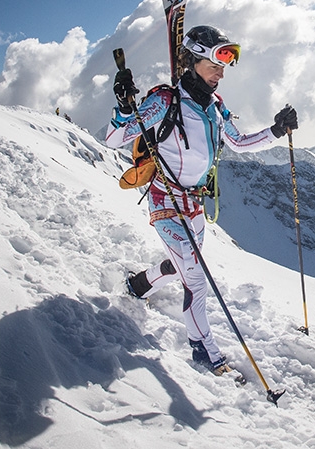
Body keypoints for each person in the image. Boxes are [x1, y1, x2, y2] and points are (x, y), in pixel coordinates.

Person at [105, 25, 298, 376]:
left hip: (194, 204)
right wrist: (122, 106)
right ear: (193, 61)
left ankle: (139, 285)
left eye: (225, 66)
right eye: (215, 65)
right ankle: (203, 351)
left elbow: (238, 143)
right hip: (167, 202)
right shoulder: (165, 101)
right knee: (195, 279)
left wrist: (276, 130)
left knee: (184, 265)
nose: (221, 73)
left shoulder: (215, 105)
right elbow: (116, 136)